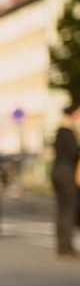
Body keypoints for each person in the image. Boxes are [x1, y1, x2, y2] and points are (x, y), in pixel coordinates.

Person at [51, 102, 80, 257]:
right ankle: (66, 247)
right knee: (69, 209)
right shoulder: (68, 132)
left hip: (57, 171)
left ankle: (62, 246)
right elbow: (72, 153)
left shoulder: (60, 130)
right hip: (67, 172)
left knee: (62, 210)